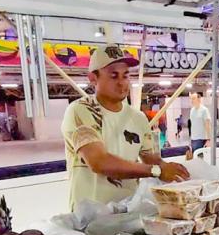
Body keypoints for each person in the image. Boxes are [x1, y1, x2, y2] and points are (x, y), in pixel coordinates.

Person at [61, 44, 189, 211]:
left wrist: (175, 170)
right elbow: (98, 162)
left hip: (127, 213)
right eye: (114, 76)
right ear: (93, 78)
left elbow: (152, 159)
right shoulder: (81, 110)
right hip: (90, 218)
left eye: (126, 76)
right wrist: (157, 170)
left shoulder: (138, 118)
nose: (122, 84)